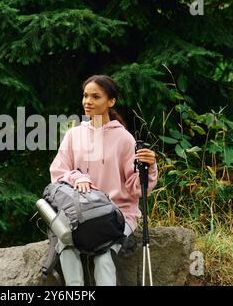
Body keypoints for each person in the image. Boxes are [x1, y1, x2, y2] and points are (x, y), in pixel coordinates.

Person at [49, 74, 158, 286]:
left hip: (117, 214)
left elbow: (135, 189)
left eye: (95, 97)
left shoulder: (124, 139)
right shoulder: (74, 135)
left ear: (111, 101)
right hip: (80, 213)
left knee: (103, 254)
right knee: (65, 245)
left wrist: (150, 167)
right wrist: (77, 177)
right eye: (85, 96)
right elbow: (58, 172)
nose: (87, 102)